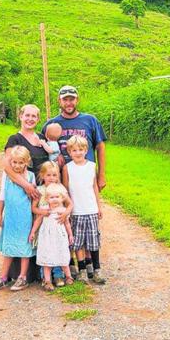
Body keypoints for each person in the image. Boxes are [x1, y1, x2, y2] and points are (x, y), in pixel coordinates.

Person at [42, 85, 107, 192]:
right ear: (59, 101)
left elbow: (100, 147)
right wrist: (56, 154)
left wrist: (101, 175)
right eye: (65, 99)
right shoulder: (51, 124)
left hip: (85, 177)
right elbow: (43, 148)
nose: (68, 103)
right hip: (59, 179)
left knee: (88, 206)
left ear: (77, 100)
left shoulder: (90, 120)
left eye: (72, 99)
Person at [0, 145, 36, 292]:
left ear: (26, 162)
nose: (17, 166)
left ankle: (22, 277)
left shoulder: (30, 177)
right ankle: (3, 277)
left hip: (25, 217)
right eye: (14, 162)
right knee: (8, 248)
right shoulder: (7, 176)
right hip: (10, 216)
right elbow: (2, 195)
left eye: (20, 163)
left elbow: (34, 197)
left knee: (24, 247)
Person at [62, 135, 106, 284]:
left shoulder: (91, 166)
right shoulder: (67, 168)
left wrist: (98, 207)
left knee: (93, 241)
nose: (78, 153)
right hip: (76, 211)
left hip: (91, 209)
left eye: (81, 149)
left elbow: (94, 187)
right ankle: (81, 270)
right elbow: (66, 189)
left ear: (86, 150)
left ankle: (96, 269)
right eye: (74, 150)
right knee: (78, 242)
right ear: (69, 152)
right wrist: (67, 209)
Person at [32, 161, 73, 286]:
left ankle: (59, 275)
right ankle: (46, 277)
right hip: (44, 227)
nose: (52, 178)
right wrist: (42, 211)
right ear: (42, 175)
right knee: (46, 250)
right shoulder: (40, 190)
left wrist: (66, 213)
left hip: (58, 226)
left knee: (59, 248)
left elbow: (70, 204)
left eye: (54, 175)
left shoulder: (60, 189)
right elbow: (33, 208)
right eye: (48, 175)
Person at [4, 104, 48, 201]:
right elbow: (7, 167)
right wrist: (27, 186)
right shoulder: (15, 139)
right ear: (20, 116)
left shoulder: (42, 138)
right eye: (27, 115)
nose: (30, 119)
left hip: (42, 190)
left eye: (34, 116)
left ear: (38, 119)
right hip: (23, 191)